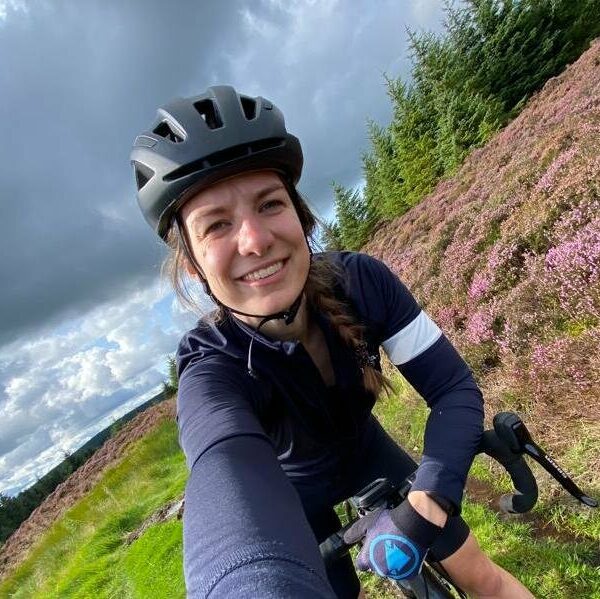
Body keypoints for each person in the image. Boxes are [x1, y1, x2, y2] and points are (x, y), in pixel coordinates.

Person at [131, 85, 534, 598]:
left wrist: (429, 499)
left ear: (300, 217)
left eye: (270, 204)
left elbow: (453, 388)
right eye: (217, 225)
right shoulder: (212, 366)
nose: (254, 240)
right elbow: (221, 470)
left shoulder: (361, 282)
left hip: (369, 451)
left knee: (482, 578)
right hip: (292, 498)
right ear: (193, 265)